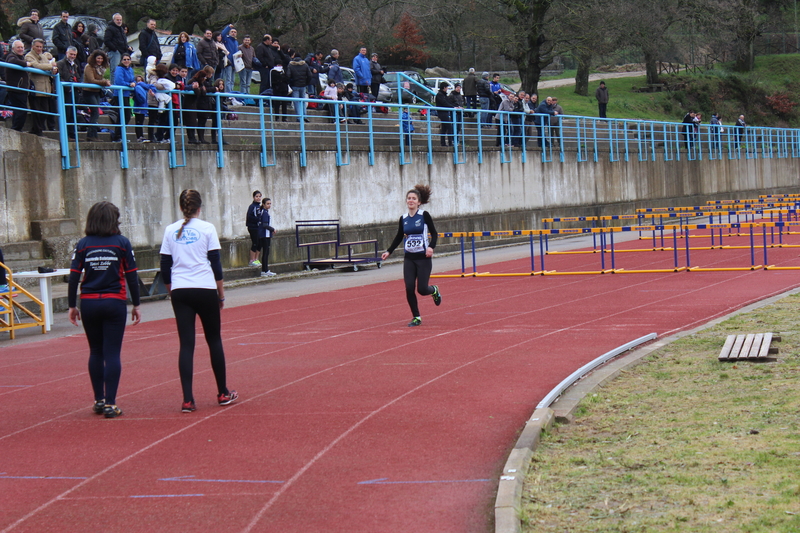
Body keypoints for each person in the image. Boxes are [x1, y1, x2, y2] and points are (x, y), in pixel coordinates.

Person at [159, 189, 238, 413]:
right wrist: (220, 294)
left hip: (181, 290)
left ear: (181, 207)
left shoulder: (170, 230)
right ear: (199, 208)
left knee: (186, 344)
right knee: (214, 339)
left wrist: (172, 290)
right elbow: (216, 265)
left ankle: (187, 399)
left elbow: (165, 266)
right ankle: (222, 392)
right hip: (205, 288)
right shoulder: (207, 228)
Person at [68, 201, 142, 419]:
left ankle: (98, 399)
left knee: (95, 351)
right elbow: (131, 276)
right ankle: (111, 403)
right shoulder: (121, 243)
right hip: (114, 301)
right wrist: (136, 304)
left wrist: (72, 305)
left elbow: (73, 277)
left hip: (89, 302)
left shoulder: (82, 244)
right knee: (112, 353)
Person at [381, 184, 442, 327]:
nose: (411, 200)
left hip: (423, 258)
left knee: (422, 289)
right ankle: (416, 317)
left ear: (419, 202)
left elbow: (434, 233)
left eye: (414, 198)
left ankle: (434, 290)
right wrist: (388, 251)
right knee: (409, 288)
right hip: (409, 258)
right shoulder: (403, 218)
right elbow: (398, 237)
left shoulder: (424, 215)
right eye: (409, 198)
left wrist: (431, 247)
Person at [25, 39, 57, 137]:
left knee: (45, 111)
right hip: (35, 88)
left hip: (46, 88)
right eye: (37, 46)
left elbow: (48, 60)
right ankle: (38, 131)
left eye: (41, 47)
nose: (39, 49)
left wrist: (52, 65)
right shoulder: (29, 56)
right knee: (36, 111)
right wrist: (51, 66)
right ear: (32, 46)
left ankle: (35, 129)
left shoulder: (43, 55)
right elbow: (37, 66)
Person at [83, 50, 111, 141]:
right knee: (95, 112)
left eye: (101, 58)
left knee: (95, 113)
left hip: (96, 92)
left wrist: (104, 81)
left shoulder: (100, 68)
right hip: (88, 92)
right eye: (98, 58)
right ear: (94, 58)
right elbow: (92, 80)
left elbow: (98, 80)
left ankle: (93, 135)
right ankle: (91, 135)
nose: (100, 60)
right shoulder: (89, 67)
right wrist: (104, 82)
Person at [5, 40, 30, 132]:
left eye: (22, 47)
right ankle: (16, 129)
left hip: (21, 89)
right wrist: (26, 64)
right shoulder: (11, 56)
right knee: (21, 110)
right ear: (13, 49)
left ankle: (17, 129)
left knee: (20, 110)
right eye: (18, 47)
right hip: (16, 89)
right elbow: (12, 61)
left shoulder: (21, 57)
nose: (20, 49)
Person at [57, 46, 81, 140]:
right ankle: (66, 134)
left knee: (73, 113)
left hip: (74, 91)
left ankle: (72, 134)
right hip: (66, 91)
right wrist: (67, 87)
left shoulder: (75, 65)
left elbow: (77, 76)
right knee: (67, 113)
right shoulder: (61, 63)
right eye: (71, 54)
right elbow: (59, 77)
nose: (73, 56)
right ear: (66, 53)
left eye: (74, 54)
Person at [111, 54, 136, 142]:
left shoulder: (130, 69)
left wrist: (133, 83)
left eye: (128, 59)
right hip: (119, 95)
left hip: (126, 95)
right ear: (121, 60)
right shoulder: (119, 69)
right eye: (124, 59)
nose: (126, 61)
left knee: (127, 116)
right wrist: (129, 84)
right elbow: (119, 81)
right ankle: (117, 136)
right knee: (122, 116)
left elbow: (133, 79)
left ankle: (120, 135)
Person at [287, 48, 312, 122]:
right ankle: (304, 115)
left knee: (296, 102)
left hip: (295, 85)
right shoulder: (305, 65)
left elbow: (288, 75)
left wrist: (290, 83)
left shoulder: (291, 65)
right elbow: (310, 75)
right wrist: (306, 82)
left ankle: (298, 117)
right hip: (303, 85)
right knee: (303, 101)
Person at [258, 197, 276, 277]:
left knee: (265, 253)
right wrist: (272, 229)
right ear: (264, 204)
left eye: (270, 204)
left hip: (265, 235)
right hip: (265, 235)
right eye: (268, 204)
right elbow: (265, 225)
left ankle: (265, 270)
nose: (269, 205)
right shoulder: (264, 213)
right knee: (266, 253)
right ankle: (265, 270)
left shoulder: (263, 212)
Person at [246, 190, 263, 267]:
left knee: (260, 243)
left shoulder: (260, 206)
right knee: (255, 243)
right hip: (253, 227)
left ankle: (256, 259)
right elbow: (249, 217)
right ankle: (252, 260)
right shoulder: (252, 207)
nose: (258, 198)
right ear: (253, 197)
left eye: (259, 196)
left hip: (259, 228)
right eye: (256, 196)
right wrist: (258, 219)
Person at [435, 82, 454, 147]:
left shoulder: (443, 95)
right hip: (442, 113)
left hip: (444, 112)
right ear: (444, 88)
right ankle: (450, 143)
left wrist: (455, 106)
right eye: (446, 87)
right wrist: (453, 107)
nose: (447, 89)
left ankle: (443, 143)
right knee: (449, 127)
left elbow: (448, 102)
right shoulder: (440, 95)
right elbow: (444, 103)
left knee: (444, 128)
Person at [220, 24, 238, 92]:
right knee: (228, 79)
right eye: (232, 32)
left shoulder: (236, 42)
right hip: (228, 62)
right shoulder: (226, 39)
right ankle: (228, 94)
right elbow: (222, 34)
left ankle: (232, 93)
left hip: (235, 63)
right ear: (229, 32)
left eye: (235, 32)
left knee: (232, 80)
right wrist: (228, 27)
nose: (233, 33)